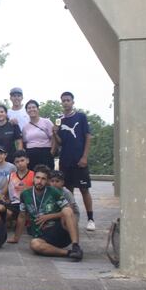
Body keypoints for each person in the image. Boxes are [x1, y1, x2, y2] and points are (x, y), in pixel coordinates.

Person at [8, 165, 83, 261]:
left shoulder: (54, 192)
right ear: (33, 178)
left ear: (47, 181)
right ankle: (69, 253)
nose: (40, 181)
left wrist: (48, 216)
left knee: (67, 210)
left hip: (59, 229)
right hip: (42, 234)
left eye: (43, 179)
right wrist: (16, 237)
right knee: (34, 244)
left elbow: (69, 211)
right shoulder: (25, 195)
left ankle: (75, 246)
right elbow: (22, 216)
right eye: (37, 178)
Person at [54, 91, 95, 230]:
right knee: (68, 190)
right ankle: (71, 217)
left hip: (79, 160)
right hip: (65, 160)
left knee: (84, 189)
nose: (65, 102)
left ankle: (90, 219)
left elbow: (88, 136)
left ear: (72, 102)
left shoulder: (81, 116)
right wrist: (54, 132)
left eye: (68, 100)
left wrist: (85, 156)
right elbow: (59, 143)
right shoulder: (59, 119)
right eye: (63, 100)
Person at [21, 99, 56, 171]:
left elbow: (54, 138)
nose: (31, 109)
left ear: (38, 109)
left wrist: (52, 153)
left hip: (45, 153)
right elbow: (24, 142)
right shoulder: (25, 127)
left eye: (33, 107)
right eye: (29, 108)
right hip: (31, 154)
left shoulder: (47, 122)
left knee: (47, 176)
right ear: (26, 111)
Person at [6, 150, 35, 223]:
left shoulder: (35, 175)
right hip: (14, 204)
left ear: (27, 160)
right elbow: (3, 192)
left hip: (30, 203)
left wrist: (27, 188)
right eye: (17, 162)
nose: (20, 163)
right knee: (4, 211)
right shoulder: (10, 176)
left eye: (22, 160)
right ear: (14, 163)